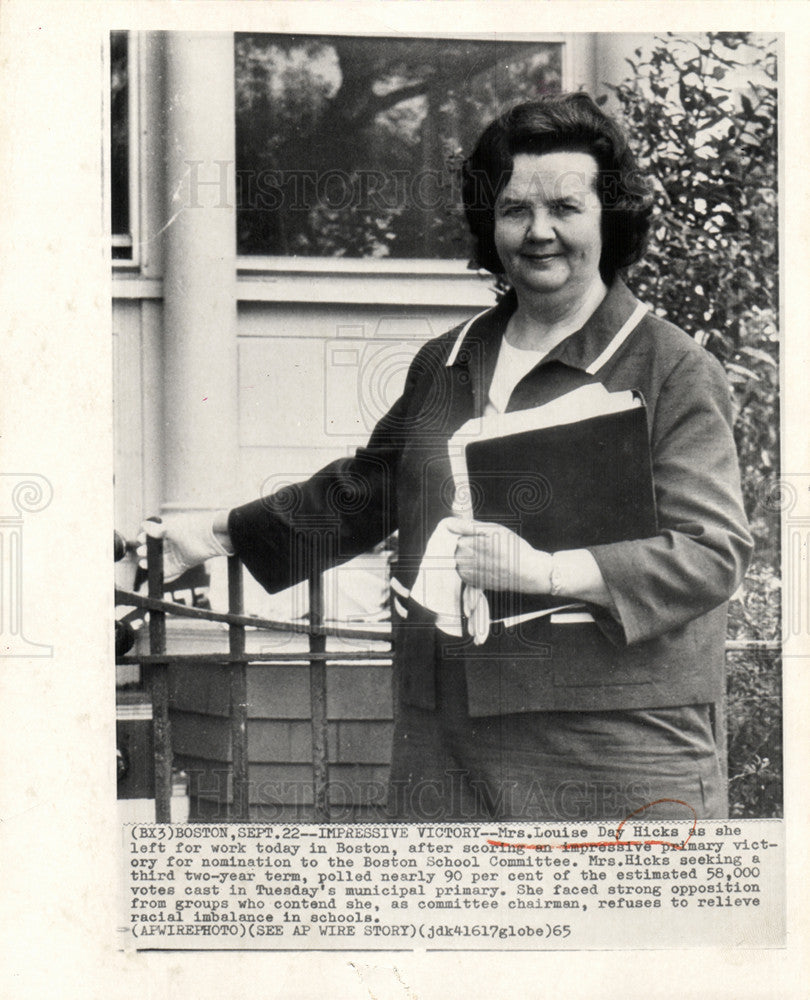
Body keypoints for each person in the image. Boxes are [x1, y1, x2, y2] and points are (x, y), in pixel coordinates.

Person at [142, 93, 753, 822]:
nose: (539, 232)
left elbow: (709, 552)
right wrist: (211, 535)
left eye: (565, 207)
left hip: (612, 748)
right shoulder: (451, 359)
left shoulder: (670, 366)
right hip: (448, 741)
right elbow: (371, 489)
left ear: (609, 219)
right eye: (514, 210)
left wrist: (546, 573)